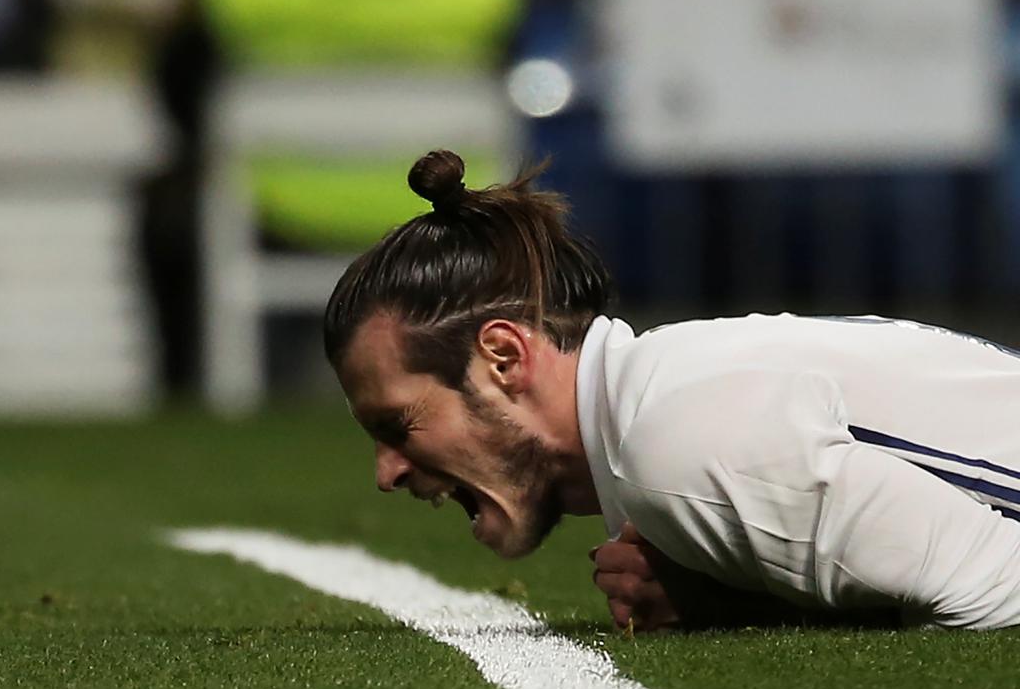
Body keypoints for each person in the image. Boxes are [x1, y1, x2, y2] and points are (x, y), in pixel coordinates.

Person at [323, 150, 1020, 631]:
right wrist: (737, 596)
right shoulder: (668, 395)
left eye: (399, 422)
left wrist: (753, 606)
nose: (387, 472)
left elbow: (1001, 591)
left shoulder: (678, 444)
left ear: (503, 357)